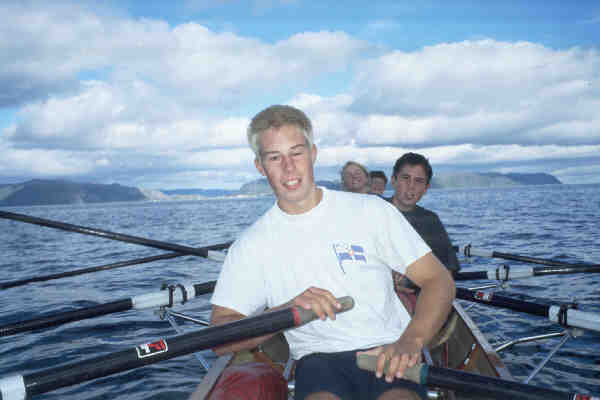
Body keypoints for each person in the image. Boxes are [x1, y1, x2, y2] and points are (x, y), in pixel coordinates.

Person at [210, 105, 455, 400]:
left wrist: (411, 341)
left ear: (312, 154)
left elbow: (438, 280)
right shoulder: (249, 246)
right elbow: (220, 335)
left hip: (389, 351)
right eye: (275, 157)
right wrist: (284, 313)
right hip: (318, 361)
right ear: (260, 167)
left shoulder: (372, 210)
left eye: (296, 153)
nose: (289, 167)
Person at [386, 153, 460, 274]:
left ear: (426, 188)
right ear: (393, 180)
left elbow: (448, 270)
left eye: (419, 181)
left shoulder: (430, 221)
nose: (411, 186)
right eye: (405, 178)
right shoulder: (374, 209)